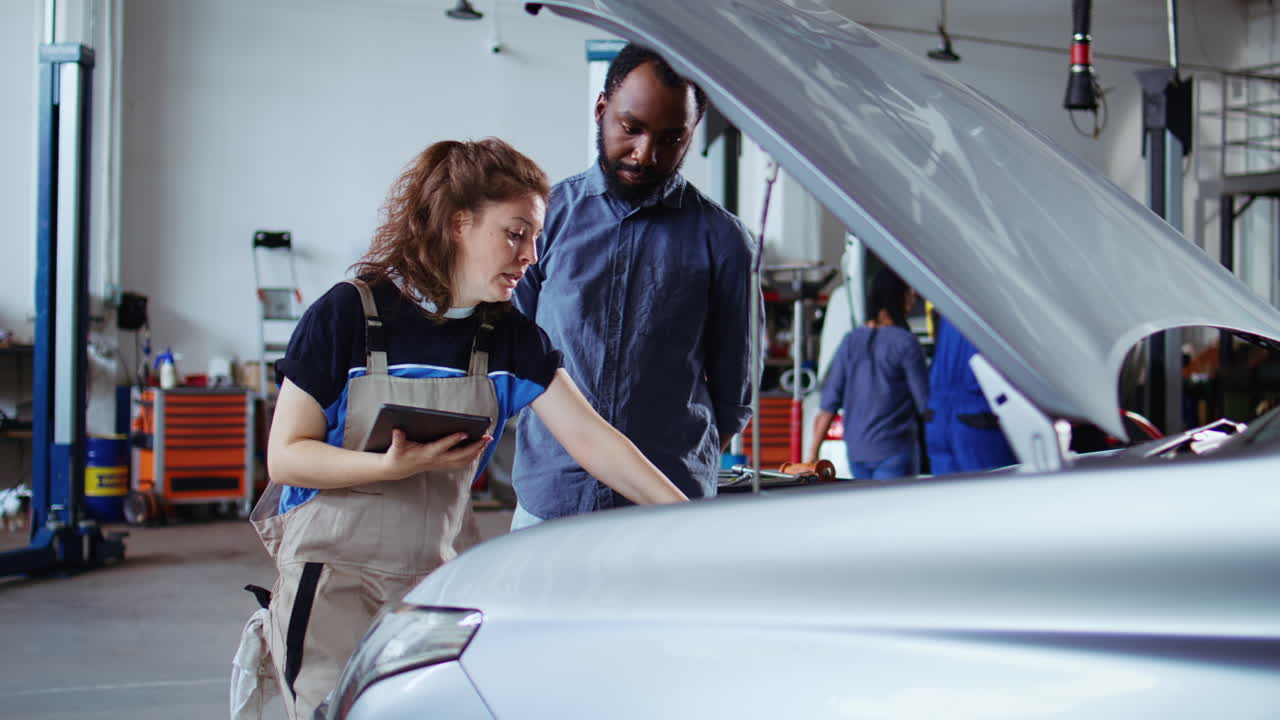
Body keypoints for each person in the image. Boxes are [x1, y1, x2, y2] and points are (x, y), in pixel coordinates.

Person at [236, 138, 688, 720]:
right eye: (515, 232)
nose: (530, 254)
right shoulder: (348, 315)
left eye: (535, 236)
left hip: (434, 587)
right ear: (458, 224)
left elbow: (596, 441)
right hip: (329, 580)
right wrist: (387, 467)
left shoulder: (508, 339)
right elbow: (287, 456)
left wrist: (686, 518)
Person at [511, 43, 756, 528]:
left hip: (664, 512)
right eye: (632, 128)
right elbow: (507, 351)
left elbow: (734, 397)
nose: (646, 154)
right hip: (550, 502)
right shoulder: (545, 218)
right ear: (602, 110)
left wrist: (676, 461)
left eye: (671, 138)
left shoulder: (724, 241)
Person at [805, 268, 928, 480]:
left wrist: (812, 455)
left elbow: (829, 403)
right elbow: (925, 402)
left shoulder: (850, 341)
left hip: (857, 454)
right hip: (894, 450)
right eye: (908, 293)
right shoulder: (906, 343)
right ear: (896, 297)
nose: (912, 299)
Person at [925, 313, 1017, 474]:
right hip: (977, 416)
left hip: (938, 417)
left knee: (947, 495)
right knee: (992, 493)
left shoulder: (952, 304)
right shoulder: (994, 309)